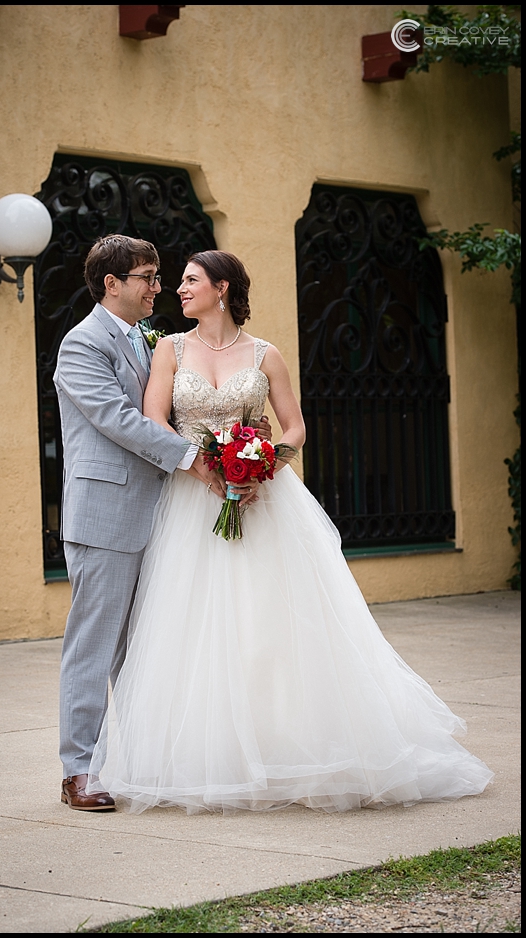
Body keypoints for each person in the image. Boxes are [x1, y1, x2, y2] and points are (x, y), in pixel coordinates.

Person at [87, 249, 494, 812]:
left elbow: (295, 427)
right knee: (197, 624)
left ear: (222, 289)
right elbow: (155, 420)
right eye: (175, 282)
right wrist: (206, 467)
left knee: (273, 623)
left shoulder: (265, 354)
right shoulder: (169, 350)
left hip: (264, 499)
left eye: (189, 281)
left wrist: (260, 466)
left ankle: (287, 747)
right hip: (192, 499)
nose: (177, 290)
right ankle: (208, 757)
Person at [52, 234, 266, 812]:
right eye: (147, 277)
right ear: (111, 284)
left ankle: (144, 762)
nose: (158, 287)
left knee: (149, 648)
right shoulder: (81, 345)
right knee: (96, 646)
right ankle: (79, 771)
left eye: (157, 275)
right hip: (107, 514)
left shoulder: (154, 341)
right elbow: (120, 419)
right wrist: (197, 460)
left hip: (169, 517)